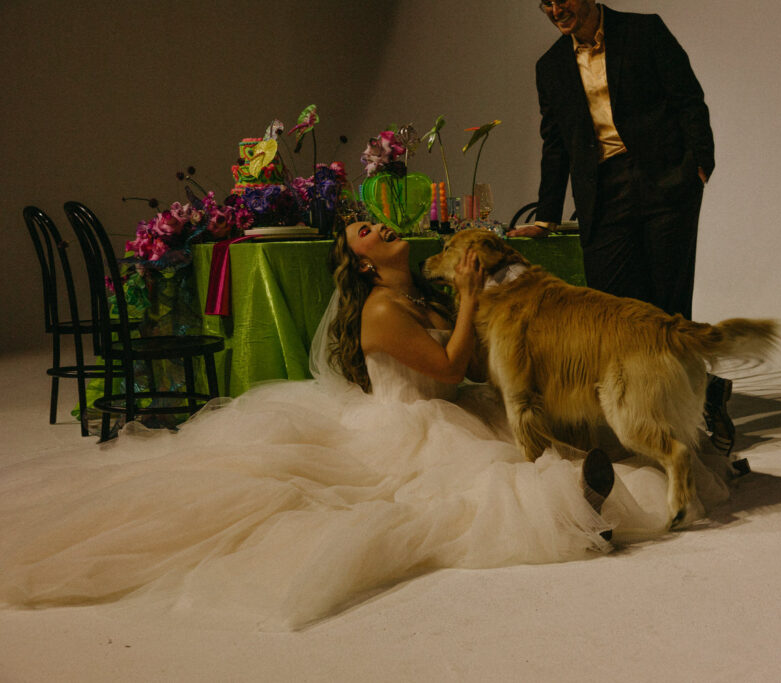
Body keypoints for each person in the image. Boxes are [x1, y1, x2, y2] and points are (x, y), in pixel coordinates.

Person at [1, 222, 715, 631]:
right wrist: (470, 296)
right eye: (367, 232)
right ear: (365, 265)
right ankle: (581, 507)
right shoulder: (381, 311)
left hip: (452, 407)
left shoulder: (423, 297)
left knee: (521, 438)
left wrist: (493, 280)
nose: (382, 228)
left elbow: (469, 375)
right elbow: (450, 359)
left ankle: (598, 480)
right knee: (474, 491)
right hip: (408, 426)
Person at [507, 0, 740, 462]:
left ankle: (687, 416)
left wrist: (699, 165)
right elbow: (555, 142)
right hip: (602, 190)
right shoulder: (550, 65)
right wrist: (548, 213)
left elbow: (688, 99)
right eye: (546, 3)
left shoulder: (644, 32)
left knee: (666, 308)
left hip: (664, 181)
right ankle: (683, 404)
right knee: (613, 316)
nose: (556, 9)